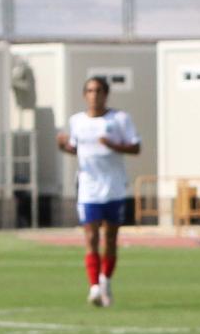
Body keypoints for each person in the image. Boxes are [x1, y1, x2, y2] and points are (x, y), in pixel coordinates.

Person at [56, 76, 140, 307]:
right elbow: (77, 150)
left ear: (106, 94)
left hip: (114, 186)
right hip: (88, 187)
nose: (94, 95)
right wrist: (63, 146)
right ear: (85, 95)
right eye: (90, 90)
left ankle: (106, 280)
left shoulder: (119, 119)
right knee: (91, 236)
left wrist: (112, 145)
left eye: (99, 90)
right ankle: (94, 287)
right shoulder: (77, 121)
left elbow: (136, 147)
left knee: (110, 238)